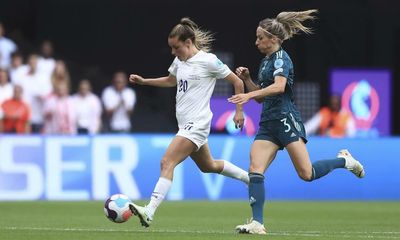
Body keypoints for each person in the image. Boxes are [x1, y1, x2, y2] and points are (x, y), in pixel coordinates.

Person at [227, 10, 365, 235]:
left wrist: (247, 95)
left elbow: (279, 87)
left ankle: (344, 161)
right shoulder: (265, 62)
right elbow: (262, 96)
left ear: (273, 39)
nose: (256, 42)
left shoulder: (282, 58)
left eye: (260, 37)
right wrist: (248, 81)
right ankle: (257, 223)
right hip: (268, 123)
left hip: (285, 119)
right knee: (255, 169)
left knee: (306, 173)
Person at [128, 17, 249, 228]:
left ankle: (149, 210)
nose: (173, 52)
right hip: (185, 124)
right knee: (208, 166)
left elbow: (237, 82)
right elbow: (171, 80)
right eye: (171, 48)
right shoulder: (179, 61)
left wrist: (239, 112)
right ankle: (250, 178)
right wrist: (145, 81)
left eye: (176, 48)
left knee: (167, 162)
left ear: (188, 42)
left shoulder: (209, 61)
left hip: (198, 123)